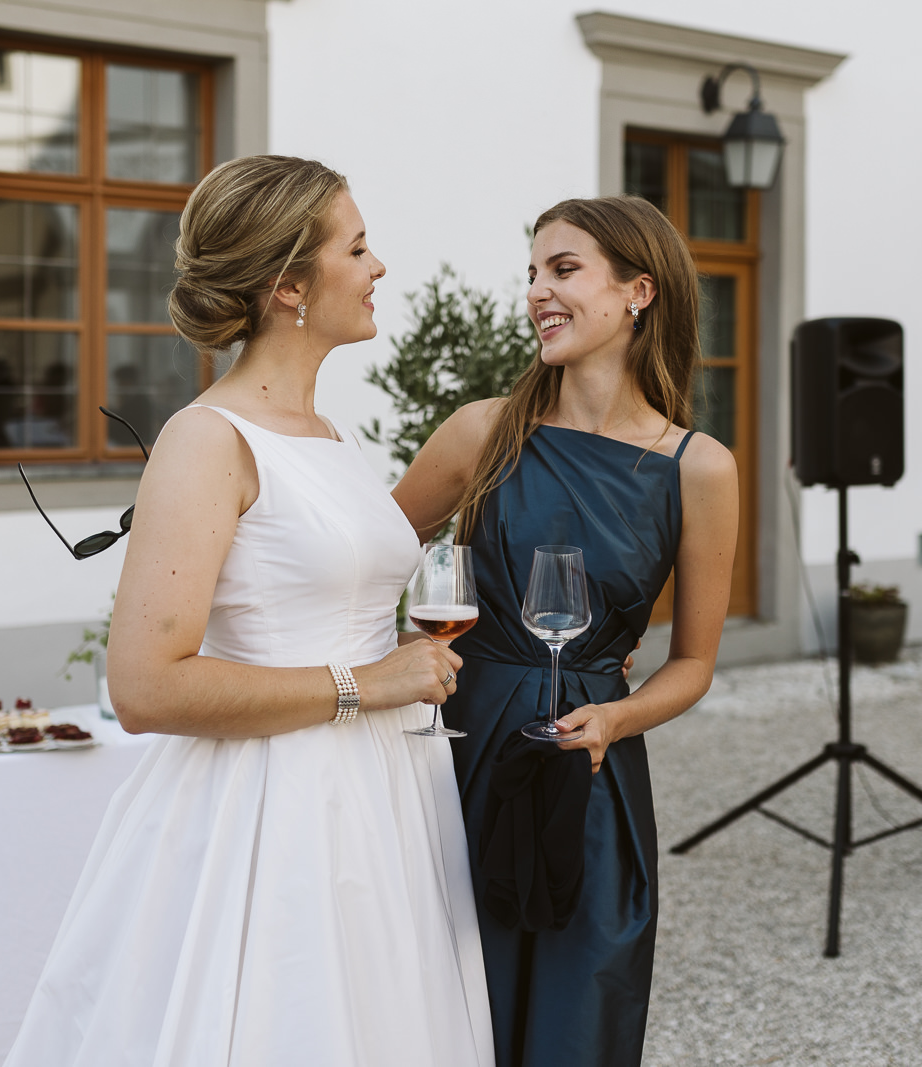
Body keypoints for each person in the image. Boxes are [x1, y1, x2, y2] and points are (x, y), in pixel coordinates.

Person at [5, 155, 493, 1066]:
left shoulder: (327, 434)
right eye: (358, 247)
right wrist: (368, 682)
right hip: (273, 808)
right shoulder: (206, 440)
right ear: (289, 288)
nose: (379, 265)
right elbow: (145, 687)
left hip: (387, 792)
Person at [392, 196, 740, 1067]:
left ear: (637, 292)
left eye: (564, 269)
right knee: (450, 1004)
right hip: (461, 751)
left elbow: (694, 663)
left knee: (578, 1017)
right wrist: (394, 662)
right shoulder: (483, 432)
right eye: (532, 273)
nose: (537, 291)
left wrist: (616, 717)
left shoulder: (698, 468)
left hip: (590, 767)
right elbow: (362, 559)